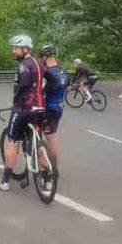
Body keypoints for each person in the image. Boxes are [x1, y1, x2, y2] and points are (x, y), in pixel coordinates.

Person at [0, 34, 49, 192]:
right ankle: (48, 180)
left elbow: (23, 84)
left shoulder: (24, 65)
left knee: (12, 142)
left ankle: (4, 182)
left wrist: (16, 99)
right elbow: (48, 79)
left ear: (25, 49)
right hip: (39, 107)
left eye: (16, 48)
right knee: (36, 143)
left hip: (23, 108)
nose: (13, 51)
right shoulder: (40, 62)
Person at [40, 45, 65, 173]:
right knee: (52, 137)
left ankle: (53, 168)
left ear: (45, 56)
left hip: (49, 107)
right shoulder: (62, 70)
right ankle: (54, 166)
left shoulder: (47, 72)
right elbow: (67, 87)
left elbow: (41, 90)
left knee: (49, 138)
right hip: (60, 106)